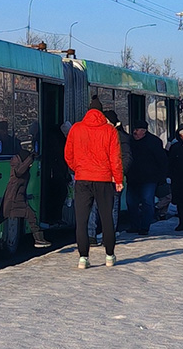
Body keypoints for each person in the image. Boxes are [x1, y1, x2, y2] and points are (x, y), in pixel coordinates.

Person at [65, 104, 123, 269]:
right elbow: (115, 158)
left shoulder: (76, 129)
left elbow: (68, 154)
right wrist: (118, 180)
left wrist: (78, 168)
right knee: (106, 219)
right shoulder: (110, 130)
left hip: (83, 179)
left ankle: (83, 257)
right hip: (104, 180)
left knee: (82, 221)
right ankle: (109, 255)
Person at [0, 145, 50, 247]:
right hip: (14, 196)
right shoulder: (16, 163)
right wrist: (29, 160)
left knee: (4, 216)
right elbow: (19, 172)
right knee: (29, 215)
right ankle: (38, 239)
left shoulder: (19, 162)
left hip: (17, 195)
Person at [88, 109, 131, 242]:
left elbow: (126, 157)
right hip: (100, 175)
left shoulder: (120, 137)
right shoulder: (101, 135)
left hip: (112, 177)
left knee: (111, 206)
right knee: (95, 205)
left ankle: (108, 234)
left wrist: (118, 174)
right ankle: (92, 234)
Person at [128, 122, 160, 234]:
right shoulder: (130, 141)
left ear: (144, 131)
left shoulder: (154, 142)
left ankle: (144, 226)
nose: (135, 132)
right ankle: (135, 225)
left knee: (147, 202)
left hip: (149, 178)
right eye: (134, 130)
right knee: (131, 202)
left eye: (138, 130)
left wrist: (161, 177)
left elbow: (161, 160)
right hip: (133, 177)